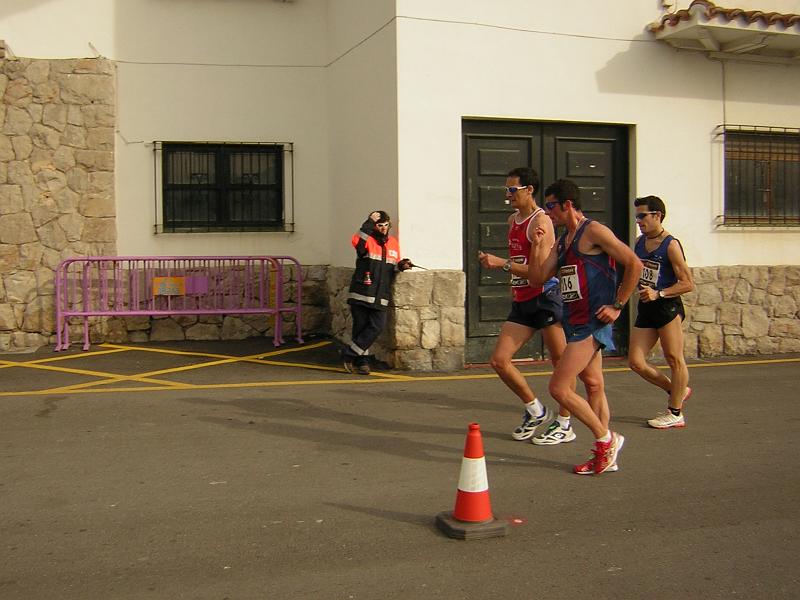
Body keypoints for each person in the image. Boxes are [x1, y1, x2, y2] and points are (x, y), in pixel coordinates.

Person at [529, 179, 643, 475]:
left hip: (593, 321)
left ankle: (607, 440)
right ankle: (607, 456)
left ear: (568, 205)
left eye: (551, 206)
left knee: (558, 387)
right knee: (593, 385)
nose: (548, 212)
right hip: (575, 320)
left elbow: (634, 264)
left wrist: (618, 305)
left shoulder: (593, 231)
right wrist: (538, 244)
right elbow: (538, 277)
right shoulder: (564, 240)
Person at [478, 167, 575, 446]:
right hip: (523, 298)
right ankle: (536, 410)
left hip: (545, 296)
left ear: (529, 190)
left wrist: (502, 264)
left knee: (561, 364)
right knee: (499, 361)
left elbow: (538, 272)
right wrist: (508, 274)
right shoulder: (514, 220)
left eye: (512, 190)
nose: (508, 196)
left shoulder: (540, 221)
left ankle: (565, 422)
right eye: (506, 190)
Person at [628, 196, 694, 428]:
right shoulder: (638, 243)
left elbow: (687, 283)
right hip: (646, 308)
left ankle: (675, 414)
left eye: (642, 216)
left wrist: (660, 293)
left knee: (674, 359)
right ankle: (675, 389)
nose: (638, 221)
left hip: (667, 307)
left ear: (658, 215)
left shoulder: (671, 245)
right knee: (635, 362)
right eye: (636, 216)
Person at [343, 211, 413, 375]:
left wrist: (401, 266)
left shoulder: (393, 243)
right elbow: (358, 245)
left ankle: (349, 354)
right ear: (374, 226)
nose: (383, 229)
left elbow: (392, 266)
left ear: (389, 225)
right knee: (360, 329)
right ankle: (363, 363)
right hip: (362, 292)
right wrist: (368, 222)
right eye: (379, 225)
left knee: (377, 327)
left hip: (381, 294)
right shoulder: (366, 239)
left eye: (385, 225)